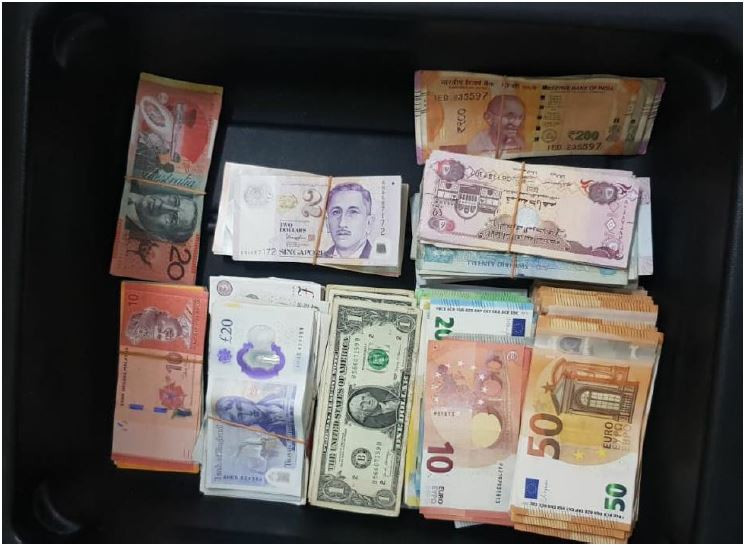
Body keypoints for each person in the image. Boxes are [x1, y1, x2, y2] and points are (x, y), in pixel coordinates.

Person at [124, 184, 199, 244]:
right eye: (175, 201)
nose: (162, 206)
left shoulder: (126, 236)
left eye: (172, 219)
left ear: (162, 236)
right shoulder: (131, 182)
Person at [323, 183, 375, 258]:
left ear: (369, 223)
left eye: (353, 212)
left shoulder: (378, 259)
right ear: (327, 223)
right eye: (336, 212)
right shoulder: (320, 258)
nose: (342, 224)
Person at [215, 394, 290, 437]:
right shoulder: (278, 434)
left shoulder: (276, 395)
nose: (246, 413)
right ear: (243, 424)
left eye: (240, 407)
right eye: (240, 417)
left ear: (244, 400)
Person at [125, 306, 192, 346]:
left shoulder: (191, 309)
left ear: (164, 314)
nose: (163, 334)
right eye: (159, 336)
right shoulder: (187, 344)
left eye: (160, 327)